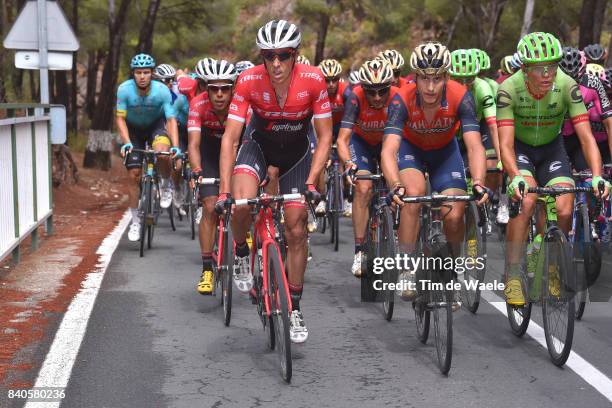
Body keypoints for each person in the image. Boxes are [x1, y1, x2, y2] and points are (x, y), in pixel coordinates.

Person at [217, 19, 333, 343]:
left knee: (296, 228)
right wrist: (225, 191)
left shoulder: (313, 81)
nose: (276, 63)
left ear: (296, 54)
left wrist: (312, 182)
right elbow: (230, 138)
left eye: (283, 55)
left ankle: (294, 305)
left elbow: (324, 138)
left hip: (296, 156)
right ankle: (241, 252)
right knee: (240, 204)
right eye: (269, 56)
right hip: (257, 148)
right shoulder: (248, 80)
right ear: (262, 57)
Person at [497, 32, 608, 305]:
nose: (547, 74)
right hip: (520, 150)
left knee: (564, 207)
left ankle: (553, 268)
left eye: (553, 66)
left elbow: (586, 138)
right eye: (539, 68)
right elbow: (506, 145)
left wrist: (597, 176)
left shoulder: (567, 85)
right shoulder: (508, 89)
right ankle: (512, 275)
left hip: (552, 150)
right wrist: (514, 177)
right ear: (525, 68)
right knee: (526, 200)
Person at [382, 42, 488, 300]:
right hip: (412, 151)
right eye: (424, 79)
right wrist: (395, 184)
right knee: (413, 196)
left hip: (445, 153)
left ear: (447, 77)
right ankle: (407, 268)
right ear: (414, 77)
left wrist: (478, 181)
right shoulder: (401, 99)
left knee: (454, 214)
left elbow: (474, 146)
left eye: (437, 79)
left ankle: (449, 271)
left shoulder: (461, 96)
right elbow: (388, 150)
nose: (430, 87)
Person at [336, 59, 399, 276]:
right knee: (363, 188)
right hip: (361, 144)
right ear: (363, 89)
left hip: (389, 144)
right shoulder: (355, 99)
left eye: (382, 91)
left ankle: (397, 233)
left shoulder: (398, 98)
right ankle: (360, 251)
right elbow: (343, 140)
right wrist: (349, 164)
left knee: (400, 186)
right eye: (371, 92)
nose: (377, 97)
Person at [187, 59, 238, 294]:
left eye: (225, 88)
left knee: (242, 203)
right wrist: (197, 171)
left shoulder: (241, 105)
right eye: (214, 89)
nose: (219, 94)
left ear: (232, 89)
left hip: (235, 152)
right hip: (208, 153)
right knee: (209, 207)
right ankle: (207, 268)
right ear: (206, 89)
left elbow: (248, 141)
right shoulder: (197, 105)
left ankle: (242, 247)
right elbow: (194, 144)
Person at [117, 54, 180, 241]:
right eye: (138, 72)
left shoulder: (162, 91)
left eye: (146, 72)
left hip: (156, 126)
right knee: (133, 174)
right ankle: (136, 221)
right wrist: (126, 141)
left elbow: (170, 119)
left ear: (152, 73)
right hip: (133, 129)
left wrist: (175, 146)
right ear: (133, 74)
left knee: (162, 153)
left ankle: (166, 182)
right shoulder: (124, 90)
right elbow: (120, 117)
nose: (142, 76)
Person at [450, 49, 503, 225]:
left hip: (476, 128)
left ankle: (481, 206)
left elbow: (494, 125)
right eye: (458, 80)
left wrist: (501, 157)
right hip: (451, 133)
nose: (464, 86)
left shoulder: (483, 87)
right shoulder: (443, 88)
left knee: (487, 163)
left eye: (469, 80)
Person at [154, 63, 190, 213]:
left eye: (171, 80)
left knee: (179, 163)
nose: (169, 84)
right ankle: (162, 181)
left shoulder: (179, 93)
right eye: (165, 81)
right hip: (162, 127)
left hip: (182, 128)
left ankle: (176, 186)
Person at [316, 58, 350, 215]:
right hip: (324, 127)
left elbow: (353, 116)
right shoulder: (317, 92)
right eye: (327, 80)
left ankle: (348, 199)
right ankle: (322, 199)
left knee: (345, 161)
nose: (331, 84)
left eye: (334, 80)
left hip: (342, 126)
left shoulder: (346, 91)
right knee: (322, 161)